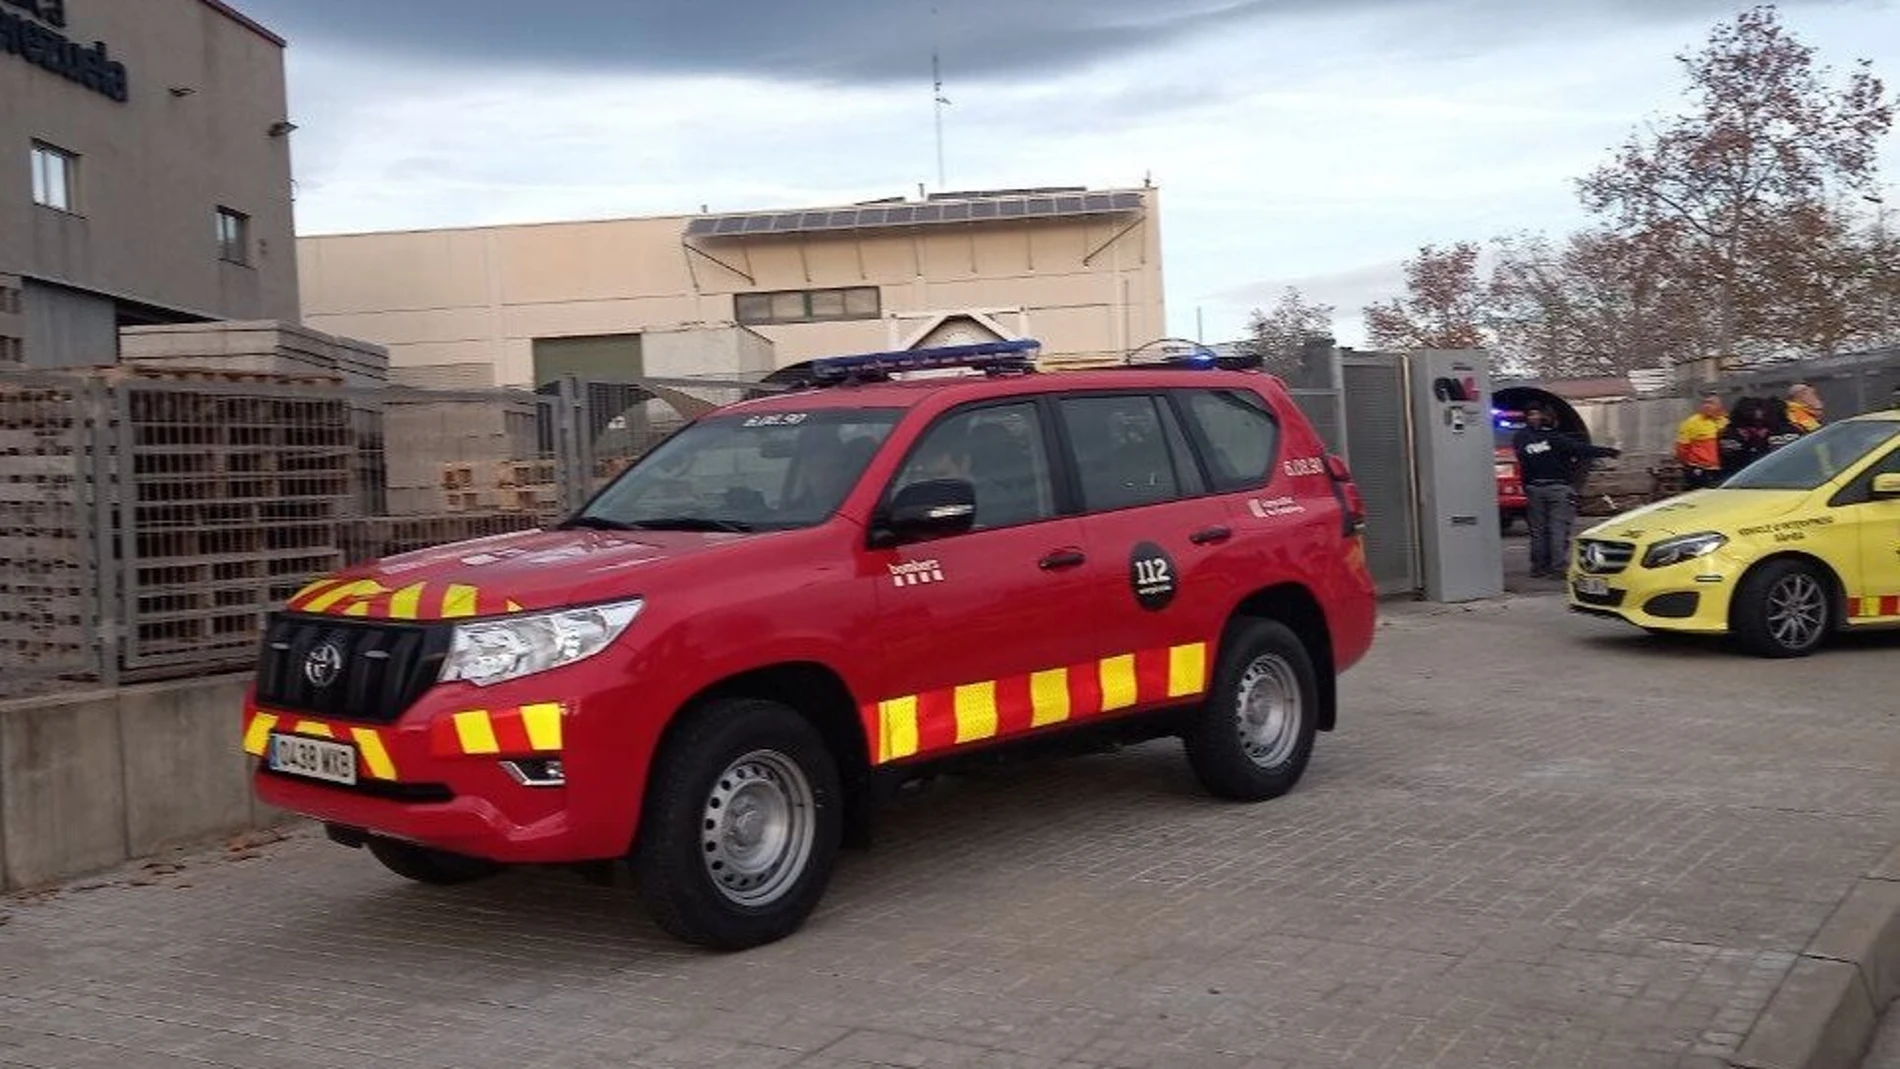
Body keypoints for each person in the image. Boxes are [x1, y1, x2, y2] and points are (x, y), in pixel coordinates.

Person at [1513, 403, 1621, 579]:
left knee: (1538, 531)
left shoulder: (1520, 438)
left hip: (1534, 488)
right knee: (1558, 529)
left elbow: (1522, 459)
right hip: (1558, 488)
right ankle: (1557, 568)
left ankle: (1539, 567)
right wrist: (1609, 451)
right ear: (1551, 420)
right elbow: (1582, 450)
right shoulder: (1557, 439)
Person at [1674, 392, 1728, 490]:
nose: (1707, 406)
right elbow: (1681, 449)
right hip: (1700, 470)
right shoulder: (1691, 423)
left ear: (1720, 405)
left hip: (1722, 470)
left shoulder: (1725, 422)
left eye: (1711, 403)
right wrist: (1691, 465)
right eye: (1705, 403)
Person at [1718, 397, 1776, 479]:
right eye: (1756, 422)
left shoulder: (1768, 432)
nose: (1760, 427)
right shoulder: (1729, 434)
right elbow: (1732, 462)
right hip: (1737, 478)